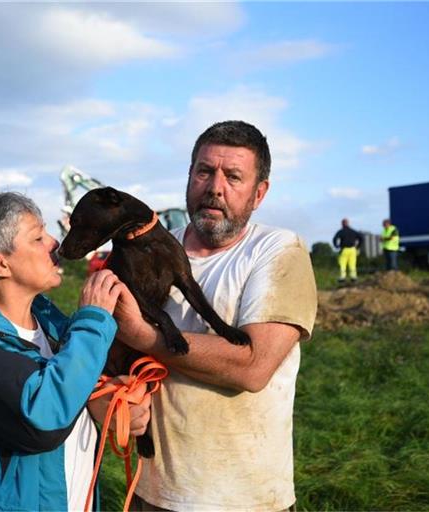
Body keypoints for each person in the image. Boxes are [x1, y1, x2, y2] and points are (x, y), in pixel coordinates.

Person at [110, 120, 318, 512]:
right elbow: (115, 353)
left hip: (245, 498)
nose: (215, 187)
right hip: (153, 494)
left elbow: (253, 365)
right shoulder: (151, 249)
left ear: (259, 193)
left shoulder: (277, 251)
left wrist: (143, 335)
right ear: (189, 177)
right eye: (204, 172)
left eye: (233, 176)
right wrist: (119, 394)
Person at [0, 192, 150, 511]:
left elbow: (67, 387)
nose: (54, 242)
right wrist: (94, 321)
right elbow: (43, 420)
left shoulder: (50, 324)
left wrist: (100, 401)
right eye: (38, 237)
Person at [332, 217, 362, 283]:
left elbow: (335, 239)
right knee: (352, 264)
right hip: (353, 250)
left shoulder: (341, 231)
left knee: (342, 264)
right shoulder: (353, 231)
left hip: (344, 250)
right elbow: (361, 238)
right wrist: (358, 246)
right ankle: (353, 277)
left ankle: (342, 278)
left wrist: (336, 246)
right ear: (348, 223)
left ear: (342, 224)